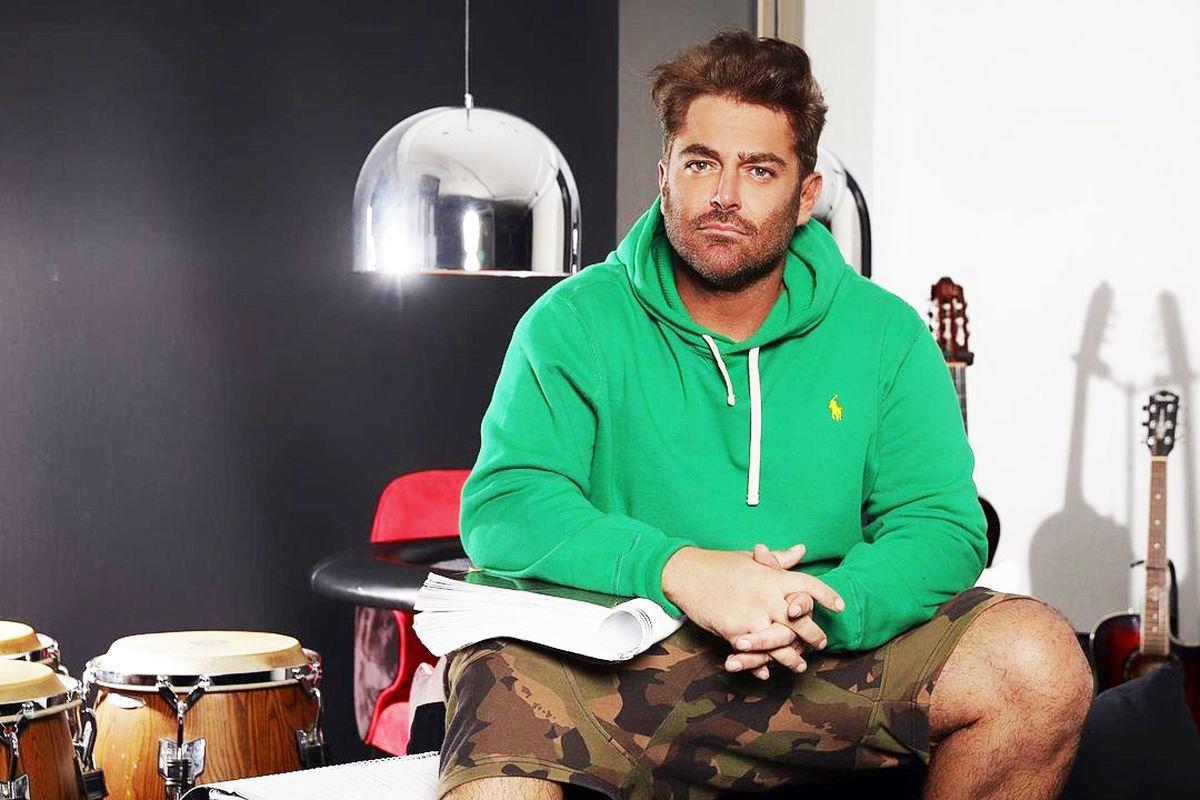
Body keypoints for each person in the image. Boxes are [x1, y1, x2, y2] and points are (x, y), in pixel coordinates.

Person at [438, 30, 1092, 800]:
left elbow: (941, 524)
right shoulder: (573, 322)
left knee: (1038, 661)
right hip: (612, 661)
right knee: (496, 680)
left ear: (805, 195)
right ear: (664, 175)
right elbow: (507, 506)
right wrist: (682, 570)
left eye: (758, 169)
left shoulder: (884, 334)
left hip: (819, 654)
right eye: (701, 163)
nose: (724, 194)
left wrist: (816, 607)